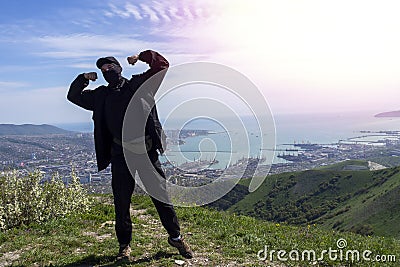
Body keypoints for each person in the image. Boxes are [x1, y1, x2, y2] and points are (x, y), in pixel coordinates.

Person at [67, 50, 193, 261]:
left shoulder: (138, 85)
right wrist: (83, 79)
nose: (107, 71)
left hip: (146, 152)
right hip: (120, 155)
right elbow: (73, 96)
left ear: (120, 68)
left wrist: (142, 56)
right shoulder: (101, 96)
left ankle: (176, 237)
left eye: (110, 67)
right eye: (103, 69)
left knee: (161, 198)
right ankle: (124, 246)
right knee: (121, 202)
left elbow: (162, 66)